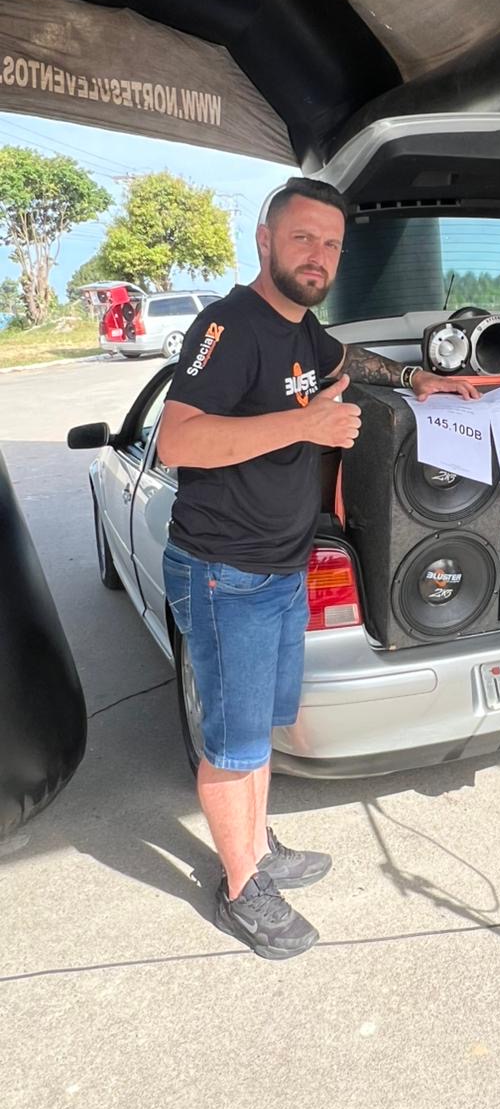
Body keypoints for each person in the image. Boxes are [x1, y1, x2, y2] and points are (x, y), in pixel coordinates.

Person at [157, 177, 479, 958]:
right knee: (232, 743)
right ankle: (241, 889)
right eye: (303, 237)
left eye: (332, 244)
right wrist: (306, 424)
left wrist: (417, 379)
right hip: (224, 569)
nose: (319, 256)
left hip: (279, 567)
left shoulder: (303, 330)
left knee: (260, 727)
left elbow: (348, 358)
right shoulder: (229, 326)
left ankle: (258, 847)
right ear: (264, 239)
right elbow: (178, 440)